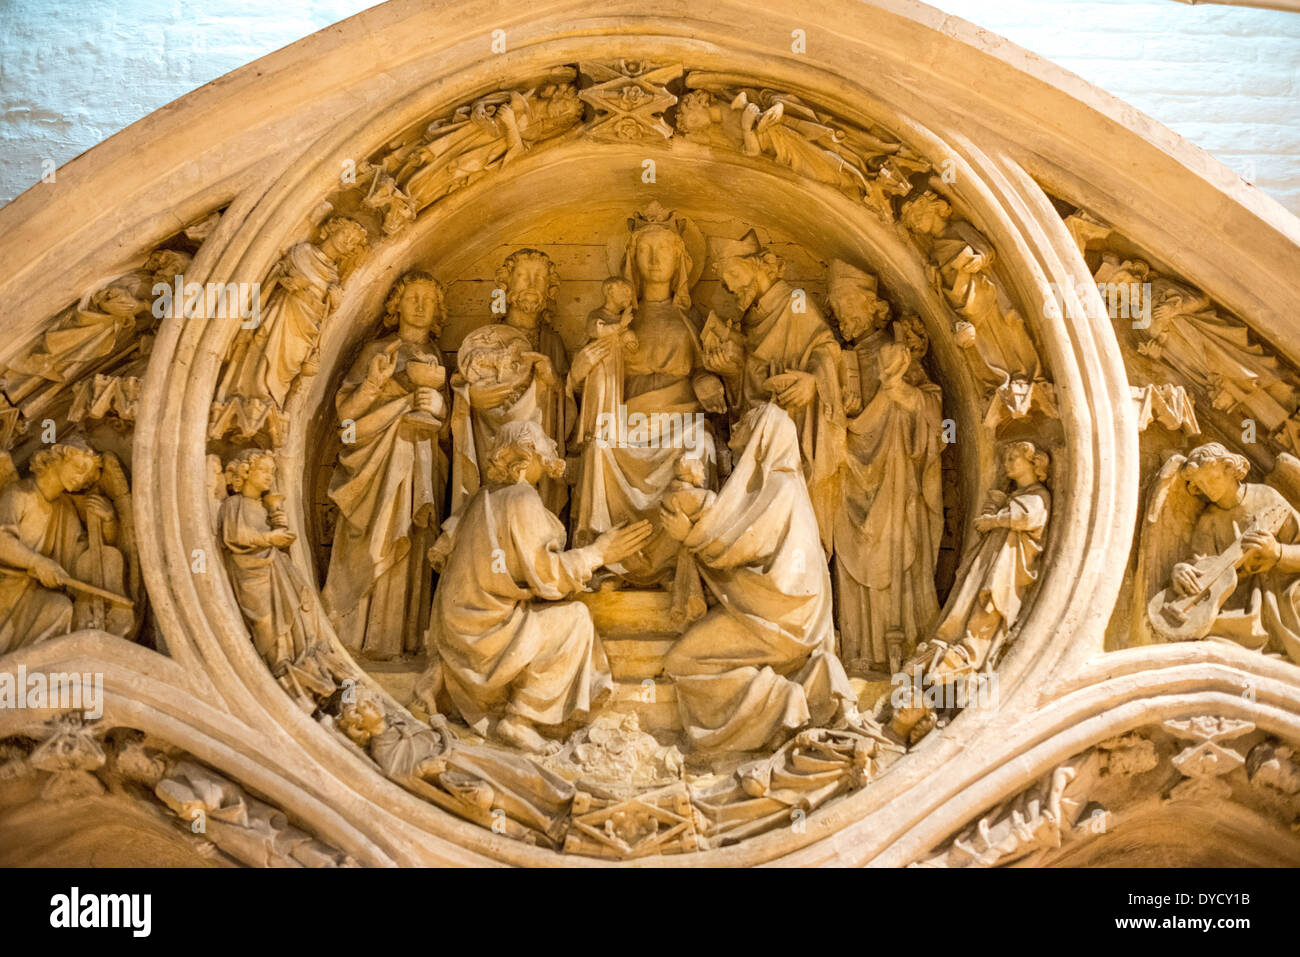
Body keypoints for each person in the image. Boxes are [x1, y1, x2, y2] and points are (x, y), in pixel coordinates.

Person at [425, 420, 652, 754]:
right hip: (483, 634)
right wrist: (599, 553)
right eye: (546, 439)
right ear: (529, 450)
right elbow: (548, 575)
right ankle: (519, 720)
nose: (553, 444)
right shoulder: (520, 498)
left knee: (556, 615)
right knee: (574, 620)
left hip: (461, 626)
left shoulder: (484, 497)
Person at [660, 403, 856, 753]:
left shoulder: (778, 486)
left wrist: (687, 536)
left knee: (682, 661)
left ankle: (782, 703)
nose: (736, 426)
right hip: (779, 614)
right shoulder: (778, 484)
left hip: (783, 619)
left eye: (747, 421)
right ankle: (802, 687)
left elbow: (736, 544)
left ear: (764, 432)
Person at [323, 271, 449, 659]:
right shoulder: (378, 350)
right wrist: (376, 384)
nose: (421, 305)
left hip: (418, 463)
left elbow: (448, 427)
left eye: (429, 299)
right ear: (396, 303)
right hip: (376, 466)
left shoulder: (437, 358)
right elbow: (345, 418)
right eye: (413, 297)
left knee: (410, 541)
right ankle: (354, 637)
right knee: (374, 542)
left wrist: (439, 406)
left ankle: (397, 641)